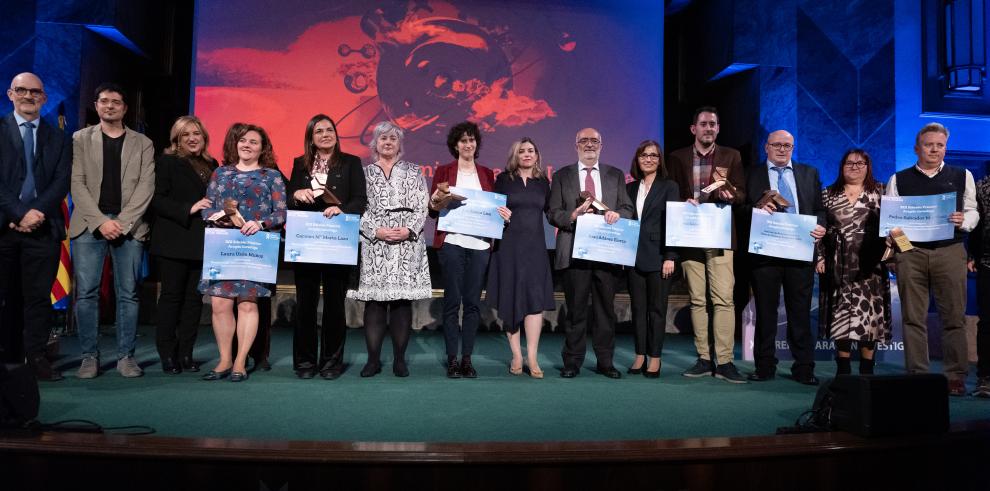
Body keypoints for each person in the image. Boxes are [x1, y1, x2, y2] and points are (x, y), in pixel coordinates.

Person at [70, 83, 155, 379]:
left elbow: (146, 186)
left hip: (129, 227)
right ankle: (88, 357)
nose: (109, 106)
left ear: (125, 108)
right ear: (96, 105)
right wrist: (100, 222)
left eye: (116, 102)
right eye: (104, 101)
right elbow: (76, 184)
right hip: (88, 225)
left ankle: (125, 357)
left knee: (129, 294)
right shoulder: (80, 138)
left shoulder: (143, 143)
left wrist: (122, 221)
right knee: (86, 294)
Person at [887, 122, 977, 396]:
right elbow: (893, 223)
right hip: (911, 254)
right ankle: (917, 374)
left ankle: (954, 376)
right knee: (914, 317)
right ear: (917, 148)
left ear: (945, 147)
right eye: (929, 144)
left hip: (950, 251)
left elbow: (973, 211)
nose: (935, 149)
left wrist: (964, 222)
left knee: (953, 317)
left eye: (940, 145)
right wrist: (905, 251)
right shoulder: (898, 179)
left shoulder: (962, 175)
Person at [198, 124, 286, 382]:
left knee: (248, 303)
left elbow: (281, 213)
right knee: (219, 304)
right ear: (236, 144)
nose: (247, 145)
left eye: (254, 142)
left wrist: (259, 224)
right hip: (224, 245)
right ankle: (224, 359)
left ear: (263, 148)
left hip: (255, 245)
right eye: (243, 141)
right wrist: (214, 215)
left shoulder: (272, 176)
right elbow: (207, 208)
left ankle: (240, 361)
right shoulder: (220, 173)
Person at [666, 106, 747, 383]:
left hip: (720, 235)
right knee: (698, 300)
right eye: (703, 124)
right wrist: (682, 203)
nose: (709, 128)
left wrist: (730, 194)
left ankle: (724, 361)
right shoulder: (676, 157)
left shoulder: (731, 156)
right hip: (690, 236)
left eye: (713, 124)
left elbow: (742, 193)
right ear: (693, 129)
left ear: (718, 128)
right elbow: (671, 193)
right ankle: (703, 358)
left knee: (724, 299)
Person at [0, 72, 71, 381]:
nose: (28, 96)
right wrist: (18, 212)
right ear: (10, 94)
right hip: (4, 226)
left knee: (39, 297)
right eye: (22, 90)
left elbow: (61, 181)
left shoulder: (60, 137)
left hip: (44, 228)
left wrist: (35, 212)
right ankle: (8, 357)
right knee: (6, 296)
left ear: (44, 97)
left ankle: (36, 357)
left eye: (35, 92)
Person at [547, 127, 634, 378]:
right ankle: (572, 362)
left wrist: (618, 214)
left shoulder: (615, 175)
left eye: (594, 141)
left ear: (601, 145)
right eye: (583, 141)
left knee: (605, 310)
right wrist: (572, 215)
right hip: (574, 251)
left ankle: (605, 362)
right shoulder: (562, 175)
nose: (589, 144)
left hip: (606, 252)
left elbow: (628, 208)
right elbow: (553, 212)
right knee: (575, 310)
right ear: (575, 145)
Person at [347, 121, 430, 378]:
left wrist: (408, 230)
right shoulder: (363, 173)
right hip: (374, 243)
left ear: (399, 144)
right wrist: (375, 231)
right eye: (383, 138)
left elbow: (423, 205)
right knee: (374, 303)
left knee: (401, 301)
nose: (388, 142)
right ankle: (373, 360)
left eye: (393, 138)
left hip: (407, 242)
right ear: (375, 142)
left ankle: (399, 360)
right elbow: (356, 207)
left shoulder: (414, 171)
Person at [286, 114, 366, 379]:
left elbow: (360, 200)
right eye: (318, 131)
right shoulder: (300, 163)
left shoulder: (351, 163)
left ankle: (331, 363)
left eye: (329, 129)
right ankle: (305, 363)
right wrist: (295, 194)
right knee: (306, 304)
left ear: (336, 134)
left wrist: (341, 208)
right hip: (307, 241)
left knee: (334, 304)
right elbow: (289, 198)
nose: (325, 134)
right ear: (311, 137)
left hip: (337, 241)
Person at [745, 130, 826, 385]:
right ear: (766, 147)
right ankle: (764, 365)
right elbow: (740, 208)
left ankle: (804, 367)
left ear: (793, 148)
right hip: (765, 254)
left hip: (800, 253)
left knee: (800, 313)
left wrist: (821, 226)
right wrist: (756, 209)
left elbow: (819, 209)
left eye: (787, 145)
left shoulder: (809, 173)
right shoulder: (751, 173)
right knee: (766, 313)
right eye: (777, 145)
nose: (782, 149)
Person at [150, 115, 218, 374]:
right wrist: (189, 208)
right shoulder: (167, 162)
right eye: (185, 135)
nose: (192, 139)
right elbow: (157, 199)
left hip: (202, 241)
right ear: (176, 139)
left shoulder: (212, 164)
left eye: (196, 134)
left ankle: (186, 353)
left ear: (204, 137)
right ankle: (167, 355)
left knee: (194, 300)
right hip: (175, 239)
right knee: (171, 298)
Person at [815, 149, 891, 376]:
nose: (855, 166)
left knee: (869, 320)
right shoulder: (828, 193)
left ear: (868, 166)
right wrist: (819, 256)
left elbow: (894, 225)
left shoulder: (881, 191)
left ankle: (867, 370)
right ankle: (843, 370)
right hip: (837, 264)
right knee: (840, 318)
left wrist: (895, 253)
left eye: (860, 163)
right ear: (841, 166)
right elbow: (818, 227)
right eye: (849, 163)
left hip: (870, 266)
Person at [428, 121, 495, 378]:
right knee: (452, 302)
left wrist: (502, 213)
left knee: (472, 304)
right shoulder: (444, 172)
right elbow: (433, 208)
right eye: (463, 140)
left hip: (479, 245)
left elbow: (492, 208)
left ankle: (467, 359)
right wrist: (437, 199)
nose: (468, 144)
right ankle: (452, 359)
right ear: (455, 145)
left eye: (472, 140)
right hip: (452, 243)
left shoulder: (488, 174)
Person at [486, 137, 555, 378]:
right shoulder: (503, 180)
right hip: (509, 247)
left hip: (535, 248)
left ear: (537, 155)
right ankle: (516, 355)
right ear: (515, 155)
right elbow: (491, 212)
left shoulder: (543, 182)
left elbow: (553, 213)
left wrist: (577, 213)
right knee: (511, 297)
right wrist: (499, 215)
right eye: (522, 151)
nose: (527, 154)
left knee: (534, 301)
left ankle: (532, 357)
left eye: (531, 151)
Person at [625, 140, 679, 378]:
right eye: (644, 155)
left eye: (654, 156)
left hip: (659, 257)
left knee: (657, 310)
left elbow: (673, 223)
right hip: (633, 257)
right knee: (637, 310)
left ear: (660, 160)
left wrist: (670, 256)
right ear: (637, 159)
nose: (648, 159)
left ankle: (655, 359)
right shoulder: (629, 188)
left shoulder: (669, 186)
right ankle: (639, 356)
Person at [968, 170, 990, 398]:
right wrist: (972, 255)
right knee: (987, 323)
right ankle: (985, 378)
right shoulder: (982, 186)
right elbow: (976, 223)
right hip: (987, 262)